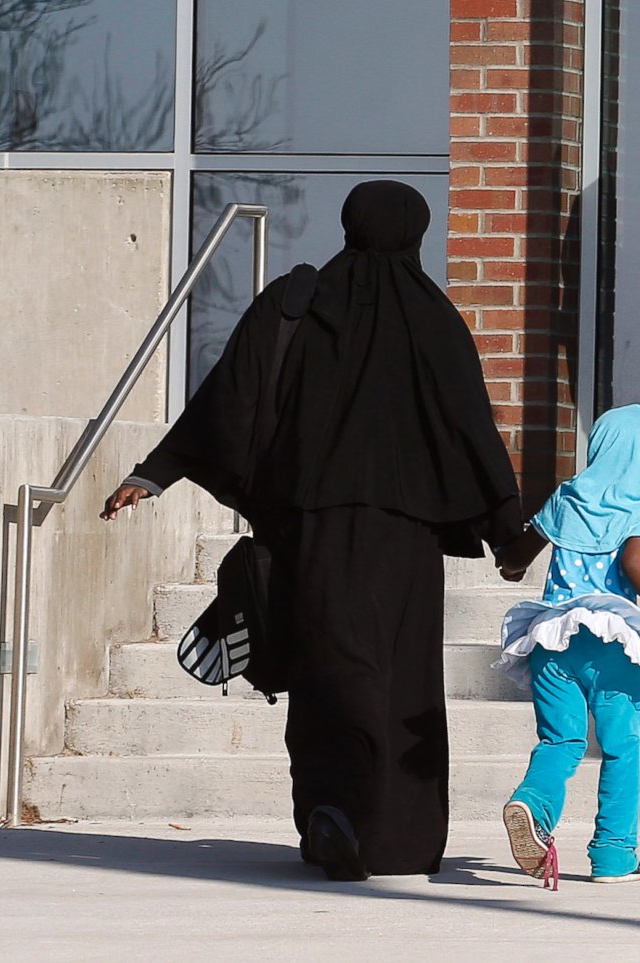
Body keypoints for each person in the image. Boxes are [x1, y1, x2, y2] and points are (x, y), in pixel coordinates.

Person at [102, 181, 536, 880]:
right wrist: (505, 530)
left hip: (312, 530)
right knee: (401, 678)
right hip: (406, 540)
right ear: (416, 233)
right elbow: (469, 428)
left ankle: (335, 809)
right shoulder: (434, 319)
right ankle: (397, 836)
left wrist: (158, 470)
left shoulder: (300, 302)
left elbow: (233, 391)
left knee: (331, 667)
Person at [497, 404, 640, 888]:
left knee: (560, 741)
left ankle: (531, 804)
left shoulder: (566, 497)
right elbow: (635, 561)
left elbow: (517, 558)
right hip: (612, 644)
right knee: (620, 746)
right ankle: (613, 855)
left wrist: (509, 564)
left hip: (552, 637)